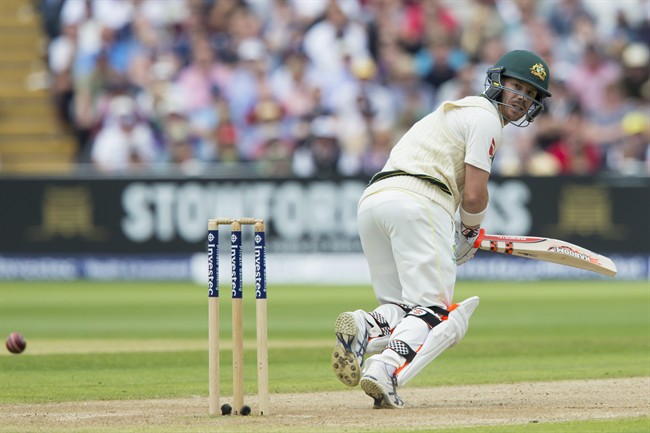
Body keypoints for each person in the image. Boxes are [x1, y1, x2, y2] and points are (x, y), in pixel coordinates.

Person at [331, 50, 552, 408]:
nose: (522, 98)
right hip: (419, 200)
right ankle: (385, 368)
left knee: (403, 308)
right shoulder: (485, 118)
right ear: (497, 81)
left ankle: (366, 326)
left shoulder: (453, 110)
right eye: (516, 86)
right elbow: (475, 194)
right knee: (434, 311)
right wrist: (468, 232)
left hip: (374, 200)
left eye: (530, 94)